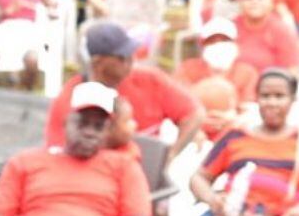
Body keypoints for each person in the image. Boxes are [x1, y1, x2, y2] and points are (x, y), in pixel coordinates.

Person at [0, 81, 151, 216]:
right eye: (82, 123)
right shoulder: (24, 163)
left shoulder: (124, 167)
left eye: (98, 127)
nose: (89, 133)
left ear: (108, 131)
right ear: (65, 123)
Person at [45, 22, 202, 163]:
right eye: (122, 57)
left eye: (131, 53)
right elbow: (57, 154)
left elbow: (194, 114)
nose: (130, 60)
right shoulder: (69, 99)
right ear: (98, 62)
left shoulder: (149, 79)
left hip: (146, 173)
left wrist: (169, 157)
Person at [191, 68, 299, 216]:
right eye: (265, 96)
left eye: (279, 96)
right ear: (257, 99)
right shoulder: (234, 136)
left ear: (292, 99)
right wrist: (212, 199)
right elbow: (199, 177)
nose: (271, 103)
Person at [177, 16, 259, 104]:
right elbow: (181, 99)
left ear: (235, 43)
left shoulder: (247, 73)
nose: (219, 45)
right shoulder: (187, 69)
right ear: (203, 45)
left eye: (225, 40)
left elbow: (248, 104)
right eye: (212, 41)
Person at [233, 0, 299, 73]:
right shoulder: (229, 28)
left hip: (269, 86)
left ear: (271, 1)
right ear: (240, 1)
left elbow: (293, 72)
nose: (254, 0)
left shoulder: (282, 31)